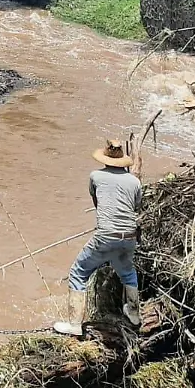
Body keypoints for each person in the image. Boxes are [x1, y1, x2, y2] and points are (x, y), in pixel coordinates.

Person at [54, 140, 144, 337]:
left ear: (104, 158)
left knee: (78, 272)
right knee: (128, 273)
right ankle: (134, 314)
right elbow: (136, 207)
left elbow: (97, 201)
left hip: (106, 235)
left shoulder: (95, 176)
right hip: (129, 236)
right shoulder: (135, 182)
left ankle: (75, 324)